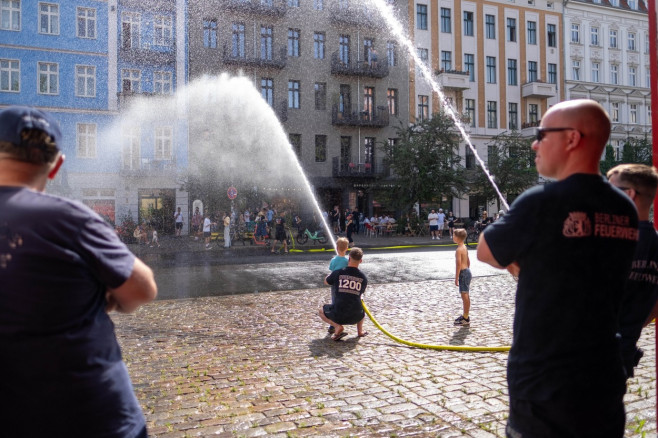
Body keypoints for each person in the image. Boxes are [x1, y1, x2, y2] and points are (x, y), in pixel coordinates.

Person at [476, 99, 638, 438]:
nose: (535, 143)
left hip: (545, 379)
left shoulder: (542, 201)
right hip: (604, 373)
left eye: (542, 134)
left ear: (572, 138)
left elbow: (487, 251)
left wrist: (525, 263)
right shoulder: (624, 208)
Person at [0, 106, 157, 437]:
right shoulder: (68, 217)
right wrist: (108, 297)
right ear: (56, 166)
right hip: (94, 416)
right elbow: (142, 288)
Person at [607, 164, 658, 378]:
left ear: (628, 195)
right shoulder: (655, 242)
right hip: (623, 355)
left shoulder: (614, 241)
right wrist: (630, 326)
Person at [319, 247, 368, 341]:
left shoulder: (338, 272)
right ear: (360, 261)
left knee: (321, 311)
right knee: (361, 302)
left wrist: (329, 275)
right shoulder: (363, 278)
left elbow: (326, 281)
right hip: (356, 316)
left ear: (349, 258)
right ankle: (360, 331)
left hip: (339, 315)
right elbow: (360, 294)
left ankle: (337, 327)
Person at [326, 237, 350, 334]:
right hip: (344, 284)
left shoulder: (334, 260)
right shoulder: (347, 260)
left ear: (336, 247)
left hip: (335, 284)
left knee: (334, 302)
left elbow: (331, 270)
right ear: (347, 248)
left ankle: (333, 325)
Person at [453, 228, 471, 326]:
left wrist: (456, 278)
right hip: (467, 271)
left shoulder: (458, 250)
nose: (452, 237)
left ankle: (465, 318)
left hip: (463, 273)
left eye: (454, 235)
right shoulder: (464, 247)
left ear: (458, 238)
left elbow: (458, 265)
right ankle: (465, 315)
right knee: (466, 295)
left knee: (464, 295)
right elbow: (468, 261)